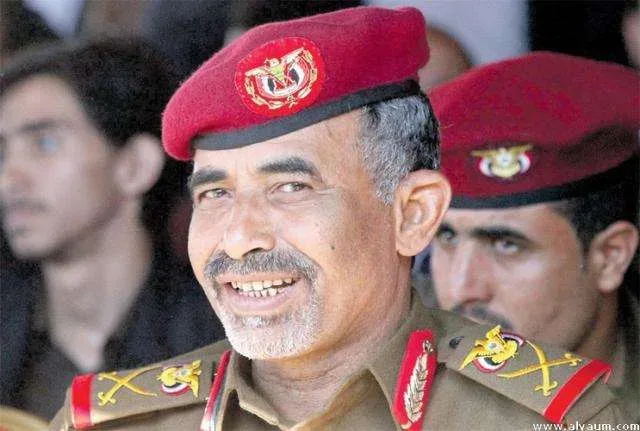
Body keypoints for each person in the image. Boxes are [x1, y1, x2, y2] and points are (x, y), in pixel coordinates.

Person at [50, 8, 627, 430]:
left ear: (414, 214)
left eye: (291, 188)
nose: (241, 238)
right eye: (215, 194)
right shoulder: (112, 421)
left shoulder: (562, 417)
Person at [0, 38, 225, 421]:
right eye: (2, 152)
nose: (8, 180)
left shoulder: (224, 339)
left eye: (45, 143)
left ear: (135, 166)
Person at [427, 52, 639, 422]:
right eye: (446, 237)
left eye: (506, 245)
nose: (461, 289)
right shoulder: (382, 385)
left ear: (611, 256)